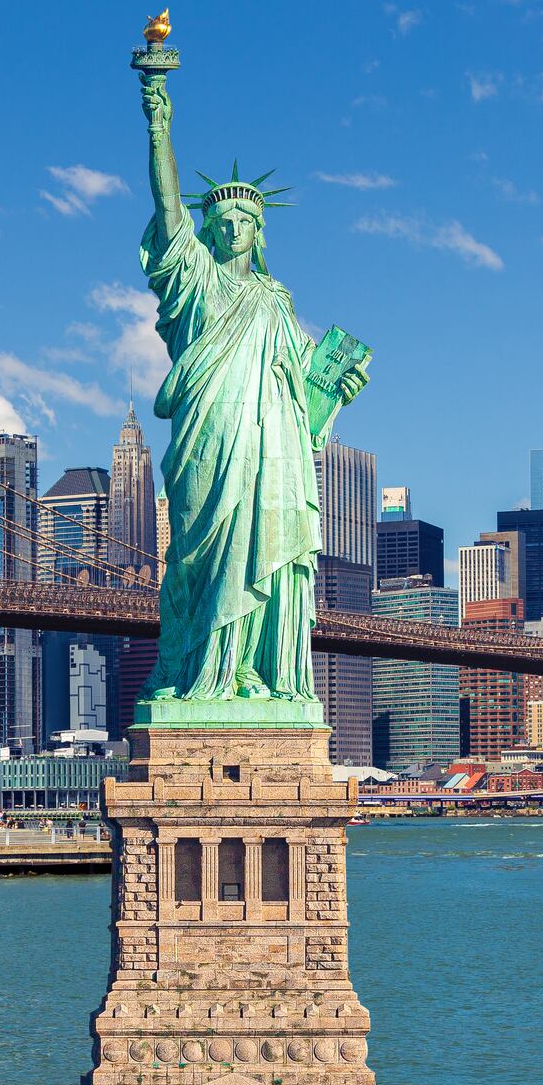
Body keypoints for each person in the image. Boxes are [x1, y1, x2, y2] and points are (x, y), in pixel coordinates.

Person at [135, 71, 368, 705]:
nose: (233, 224)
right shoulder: (197, 282)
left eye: (245, 216)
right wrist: (160, 124)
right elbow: (166, 206)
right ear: (206, 230)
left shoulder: (276, 301)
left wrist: (337, 386)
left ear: (259, 229)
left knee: (269, 549)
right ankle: (207, 672)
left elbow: (303, 398)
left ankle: (252, 674)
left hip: (276, 449)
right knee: (208, 556)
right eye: (222, 216)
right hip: (212, 437)